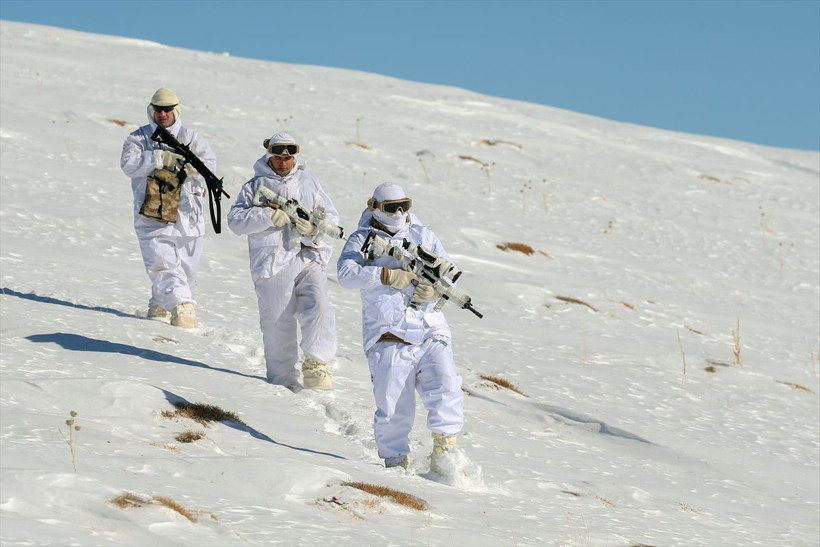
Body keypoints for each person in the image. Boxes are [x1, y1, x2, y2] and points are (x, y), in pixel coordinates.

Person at [337, 182, 464, 471]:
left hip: (430, 328)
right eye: (390, 207)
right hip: (389, 332)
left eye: (403, 206)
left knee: (445, 387)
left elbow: (449, 273)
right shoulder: (361, 238)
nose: (398, 213)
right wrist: (386, 276)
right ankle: (396, 465)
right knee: (393, 405)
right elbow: (346, 274)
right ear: (374, 207)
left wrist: (434, 290)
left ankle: (446, 456)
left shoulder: (423, 235)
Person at [227, 132, 339, 391]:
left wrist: (314, 229)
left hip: (308, 255)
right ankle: (283, 381)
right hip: (272, 262)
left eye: (288, 157)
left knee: (320, 305)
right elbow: (235, 221)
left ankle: (318, 365)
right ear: (270, 156)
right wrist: (269, 216)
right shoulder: (254, 186)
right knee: (277, 321)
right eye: (278, 156)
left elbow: (331, 217)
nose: (284, 161)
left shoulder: (309, 182)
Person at [120, 88, 217, 328]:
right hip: (153, 215)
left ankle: (161, 304)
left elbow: (210, 166)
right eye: (158, 109)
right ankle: (183, 308)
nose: (162, 114)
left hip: (188, 217)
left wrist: (193, 169)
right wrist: (159, 158)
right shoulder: (139, 138)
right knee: (163, 265)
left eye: (167, 110)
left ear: (176, 111)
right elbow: (128, 164)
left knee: (186, 271)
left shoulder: (192, 137)